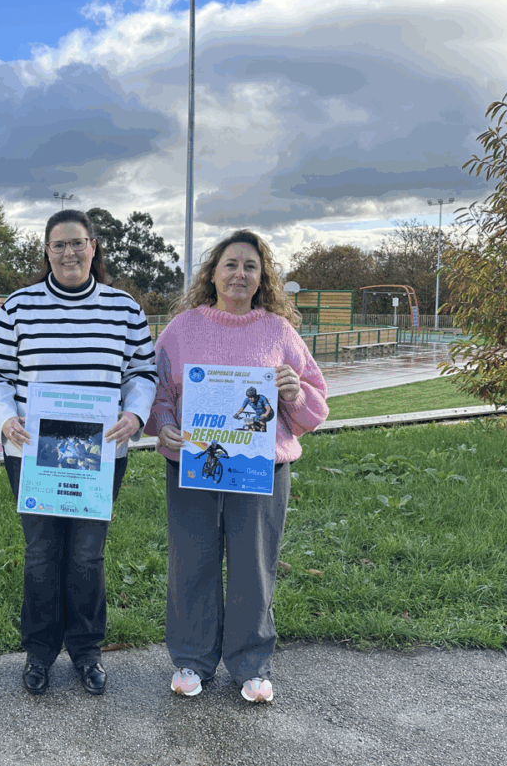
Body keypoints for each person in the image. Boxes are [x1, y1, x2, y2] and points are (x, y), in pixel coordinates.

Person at [0, 208, 156, 696]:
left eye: (78, 243)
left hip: (101, 453)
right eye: (59, 244)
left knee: (86, 555)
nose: (69, 252)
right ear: (47, 251)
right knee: (41, 553)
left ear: (93, 247)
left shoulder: (124, 309)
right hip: (33, 451)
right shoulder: (19, 307)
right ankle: (38, 651)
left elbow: (143, 372)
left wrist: (135, 414)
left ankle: (86, 650)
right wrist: (4, 418)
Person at [145, 230, 327, 702]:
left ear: (263, 277)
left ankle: (251, 663)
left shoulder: (279, 333)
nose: (239, 274)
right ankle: (192, 658)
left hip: (261, 470)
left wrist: (294, 393)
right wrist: (164, 426)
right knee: (192, 562)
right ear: (213, 273)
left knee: (254, 566)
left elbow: (315, 406)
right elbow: (157, 392)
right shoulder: (181, 330)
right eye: (230, 264)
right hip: (192, 466)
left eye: (250, 266)